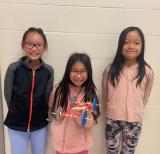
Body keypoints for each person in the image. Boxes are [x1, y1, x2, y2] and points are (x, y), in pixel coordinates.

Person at [102, 26, 154, 154]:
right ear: (120, 45)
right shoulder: (110, 70)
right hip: (113, 120)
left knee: (129, 152)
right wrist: (110, 111)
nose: (131, 46)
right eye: (126, 42)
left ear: (142, 46)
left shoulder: (147, 72)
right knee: (111, 151)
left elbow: (145, 97)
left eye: (136, 43)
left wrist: (137, 111)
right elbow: (105, 94)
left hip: (134, 122)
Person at [4, 27, 54, 154]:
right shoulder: (13, 69)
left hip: (39, 125)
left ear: (45, 47)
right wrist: (16, 111)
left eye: (38, 45)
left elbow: (47, 97)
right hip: (16, 124)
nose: (34, 48)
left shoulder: (48, 71)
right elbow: (8, 96)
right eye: (30, 44)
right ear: (23, 45)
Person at [48, 53, 100, 154]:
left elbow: (92, 122)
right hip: (60, 145)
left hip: (81, 147)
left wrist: (81, 115)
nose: (78, 76)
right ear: (68, 71)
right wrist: (60, 114)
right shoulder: (58, 89)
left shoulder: (92, 92)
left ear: (88, 72)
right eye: (74, 71)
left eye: (83, 71)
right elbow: (52, 111)